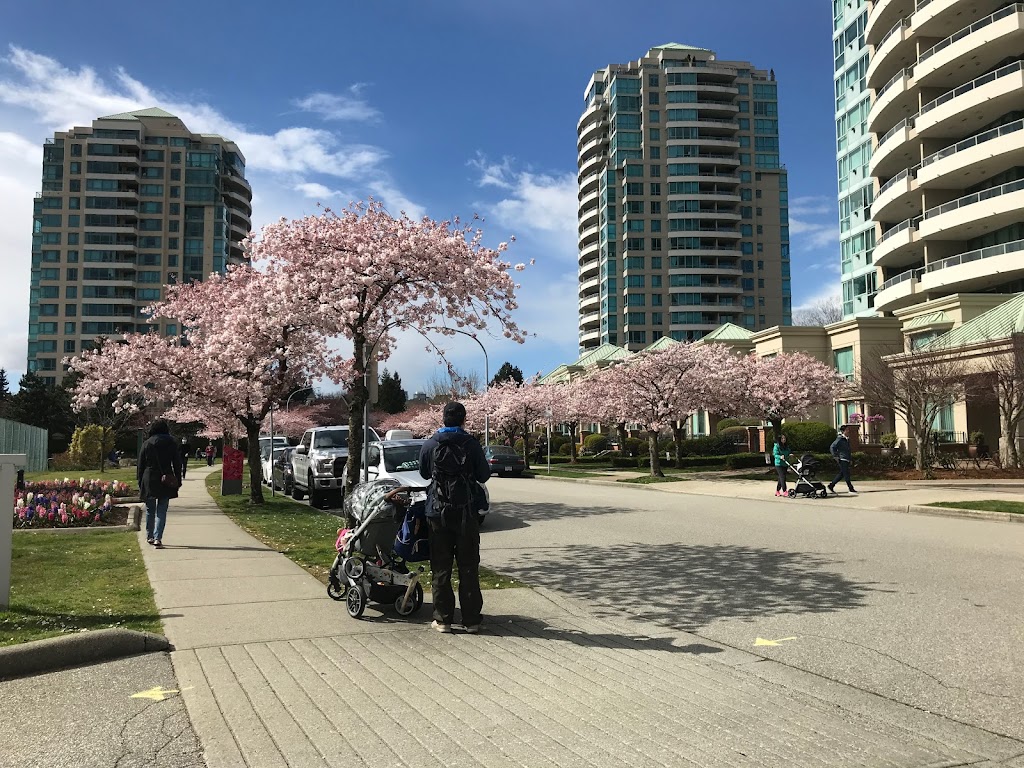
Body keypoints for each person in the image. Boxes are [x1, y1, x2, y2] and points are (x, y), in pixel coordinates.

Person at [419, 401, 490, 634]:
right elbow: (484, 475)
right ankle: (471, 621)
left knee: (441, 566)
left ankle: (443, 620)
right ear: (463, 419)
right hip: (466, 513)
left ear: (443, 418)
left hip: (437, 512)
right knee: (468, 566)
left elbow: (424, 473)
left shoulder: (430, 444)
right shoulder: (471, 444)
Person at [137, 419, 182, 548]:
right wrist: (178, 479)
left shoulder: (147, 443)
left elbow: (140, 465)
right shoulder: (171, 443)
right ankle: (158, 537)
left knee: (150, 509)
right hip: (166, 478)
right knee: (162, 509)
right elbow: (177, 463)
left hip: (149, 477)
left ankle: (149, 535)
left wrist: (140, 482)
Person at [828, 424, 857, 495]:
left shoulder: (847, 439)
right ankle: (851, 488)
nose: (848, 431)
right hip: (842, 459)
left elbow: (848, 450)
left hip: (846, 459)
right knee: (846, 474)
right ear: (843, 431)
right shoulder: (840, 439)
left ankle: (831, 485)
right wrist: (835, 456)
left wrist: (850, 459)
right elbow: (832, 447)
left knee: (842, 474)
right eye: (847, 430)